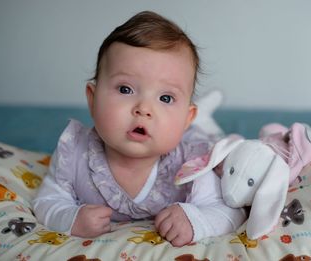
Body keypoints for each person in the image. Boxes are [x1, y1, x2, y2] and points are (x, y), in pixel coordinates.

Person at [32, 10, 246, 247]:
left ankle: (203, 120)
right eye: (125, 89)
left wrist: (197, 220)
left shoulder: (193, 165)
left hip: (193, 138)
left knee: (221, 149)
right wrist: (70, 218)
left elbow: (231, 212)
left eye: (165, 98)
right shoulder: (74, 152)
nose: (144, 108)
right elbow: (47, 201)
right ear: (92, 100)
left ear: (186, 118)